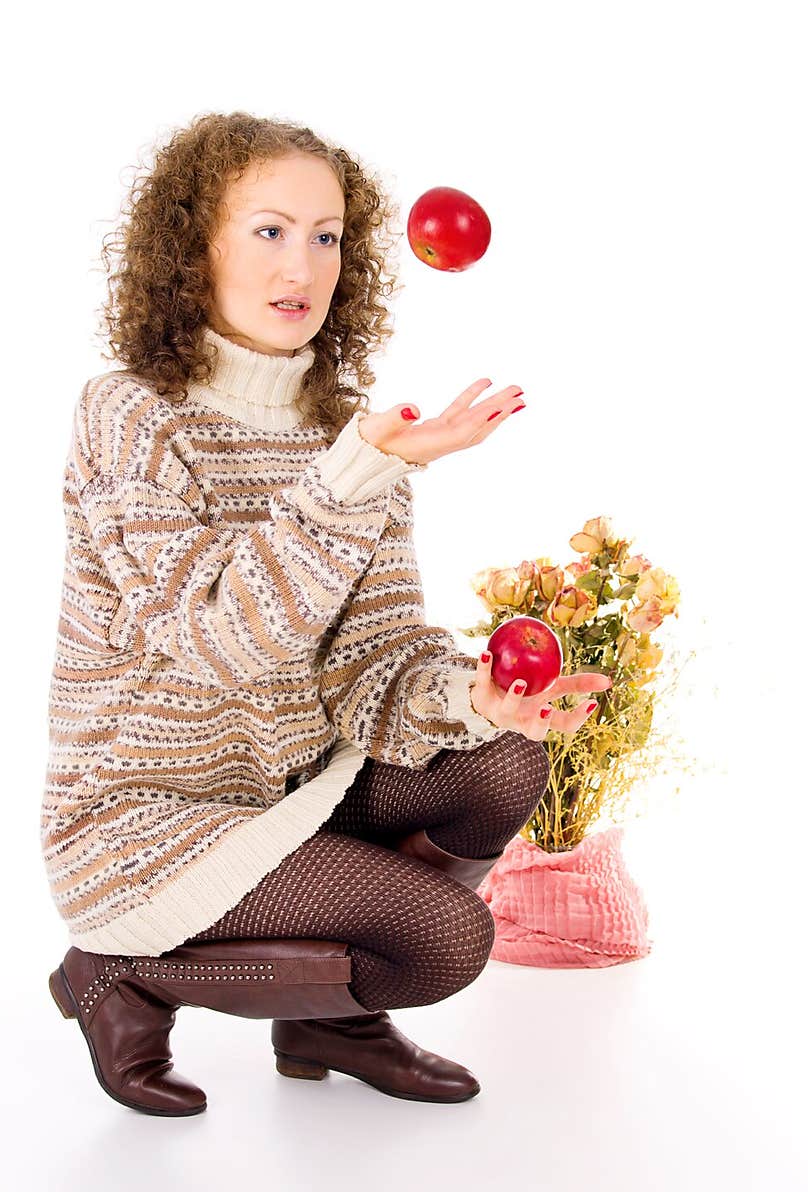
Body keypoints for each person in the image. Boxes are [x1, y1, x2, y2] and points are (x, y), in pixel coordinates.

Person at [42, 111, 611, 1118]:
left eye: (327, 234)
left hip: (293, 786)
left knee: (505, 760)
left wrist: (481, 696)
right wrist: (358, 473)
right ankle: (115, 976)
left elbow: (373, 670)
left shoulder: (349, 428)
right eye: (268, 230)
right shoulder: (129, 413)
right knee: (447, 940)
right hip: (148, 823)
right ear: (194, 250)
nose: (301, 263)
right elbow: (218, 642)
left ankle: (325, 1025)